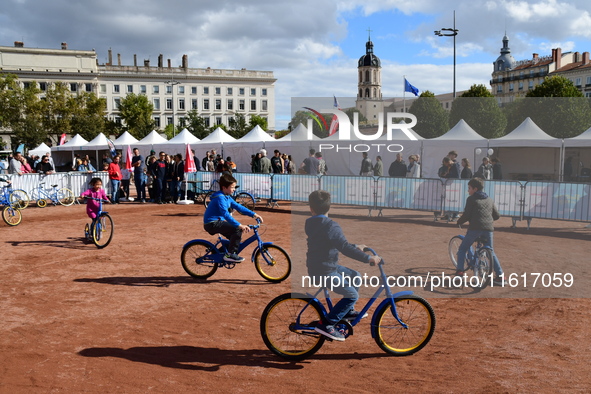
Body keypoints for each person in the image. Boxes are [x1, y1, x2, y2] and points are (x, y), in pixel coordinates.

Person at [305, 190, 381, 341]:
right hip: (325, 271)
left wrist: (355, 245)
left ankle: (347, 311)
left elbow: (332, 243)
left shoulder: (311, 222)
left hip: (322, 266)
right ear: (329, 207)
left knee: (355, 276)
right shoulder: (331, 225)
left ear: (311, 209)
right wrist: (368, 258)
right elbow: (343, 247)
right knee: (352, 295)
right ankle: (327, 324)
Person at [203, 173, 263, 262]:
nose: (234, 190)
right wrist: (239, 225)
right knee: (237, 230)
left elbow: (239, 207)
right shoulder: (220, 198)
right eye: (232, 187)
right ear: (224, 187)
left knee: (235, 238)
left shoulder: (227, 197)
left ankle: (219, 253)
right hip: (212, 223)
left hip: (218, 222)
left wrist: (254, 214)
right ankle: (230, 255)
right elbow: (226, 215)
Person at [455, 177, 505, 285]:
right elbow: (497, 215)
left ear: (475, 189)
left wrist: (459, 222)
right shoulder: (489, 199)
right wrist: (487, 219)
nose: (468, 190)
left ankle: (459, 271)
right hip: (488, 229)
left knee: (463, 248)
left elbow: (467, 215)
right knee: (490, 251)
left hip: (475, 229)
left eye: (469, 188)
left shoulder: (471, 199)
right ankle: (501, 276)